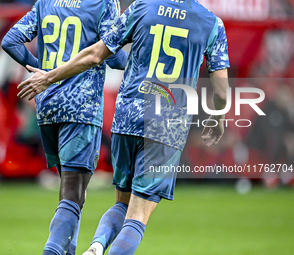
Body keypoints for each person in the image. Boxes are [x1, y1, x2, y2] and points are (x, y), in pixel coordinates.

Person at [16, 0, 230, 254]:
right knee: (138, 214)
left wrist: (49, 77)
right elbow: (221, 92)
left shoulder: (141, 7)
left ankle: (96, 246)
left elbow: (96, 54)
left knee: (122, 203)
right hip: (166, 124)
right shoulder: (212, 23)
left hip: (127, 118)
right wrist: (217, 120)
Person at [1, 0, 128, 254]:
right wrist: (136, 62)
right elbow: (113, 58)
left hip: (47, 105)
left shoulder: (46, 1)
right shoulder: (102, 3)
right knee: (73, 194)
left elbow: (10, 40)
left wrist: (41, 71)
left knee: (69, 195)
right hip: (81, 107)